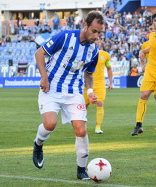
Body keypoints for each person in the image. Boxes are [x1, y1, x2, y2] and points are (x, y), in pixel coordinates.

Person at [32, 10, 104, 180]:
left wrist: (91, 92)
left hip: (74, 93)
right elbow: (39, 53)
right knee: (50, 124)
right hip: (51, 89)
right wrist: (44, 77)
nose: (96, 36)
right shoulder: (65, 37)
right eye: (94, 31)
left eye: (100, 33)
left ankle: (81, 170)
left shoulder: (94, 51)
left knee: (81, 130)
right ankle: (38, 144)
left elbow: (88, 74)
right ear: (85, 25)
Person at [83, 38, 113, 134]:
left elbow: (109, 68)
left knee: (99, 103)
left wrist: (111, 82)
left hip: (100, 84)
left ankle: (98, 127)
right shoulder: (84, 53)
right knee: (84, 106)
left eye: (97, 40)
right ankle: (83, 125)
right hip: (86, 84)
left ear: (100, 42)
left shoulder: (105, 55)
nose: (96, 41)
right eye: (94, 40)